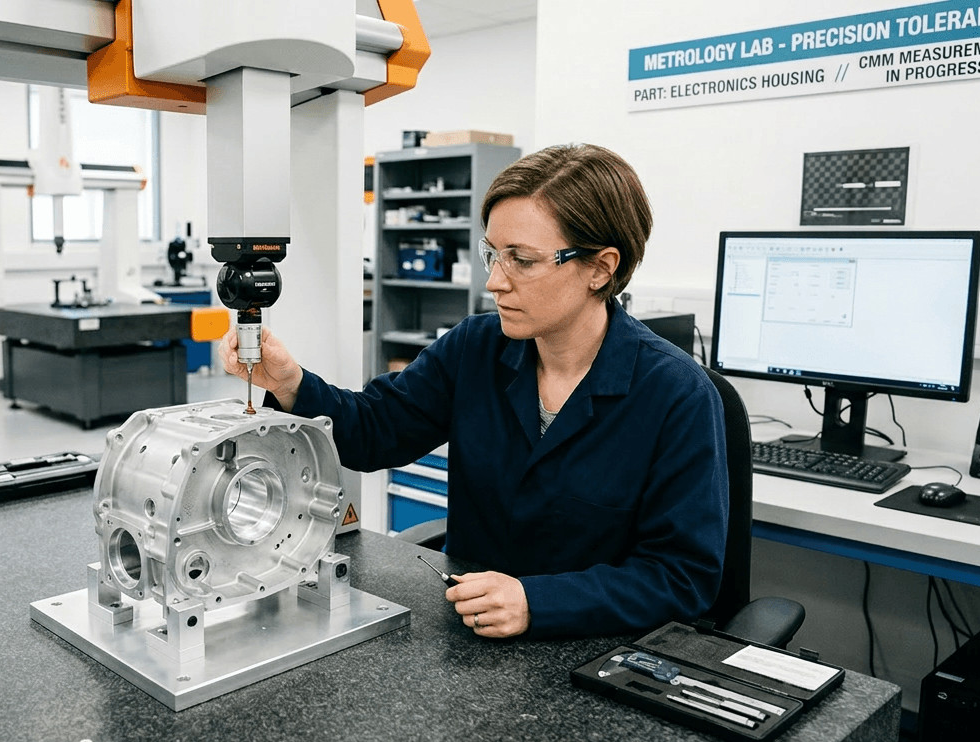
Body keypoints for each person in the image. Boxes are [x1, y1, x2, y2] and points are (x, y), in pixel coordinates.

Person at [220, 143, 728, 640]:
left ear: (600, 267)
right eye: (493, 254)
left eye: (521, 260)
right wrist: (289, 382)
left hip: (596, 655)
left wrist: (538, 602)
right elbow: (373, 432)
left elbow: (681, 577)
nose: (494, 282)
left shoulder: (677, 395)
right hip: (471, 637)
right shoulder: (476, 348)